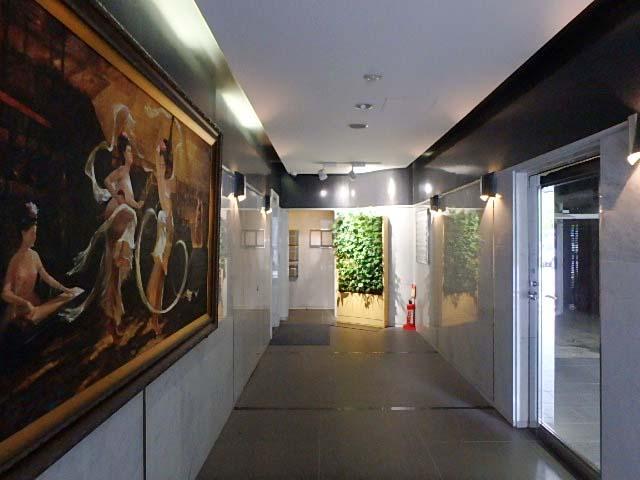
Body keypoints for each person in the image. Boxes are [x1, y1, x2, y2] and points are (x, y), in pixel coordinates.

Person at [64, 132, 140, 339]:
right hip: (117, 213)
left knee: (113, 277)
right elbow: (107, 181)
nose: (132, 155)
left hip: (120, 214)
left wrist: (138, 203)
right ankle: (120, 252)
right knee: (130, 216)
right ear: (124, 154)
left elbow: (130, 200)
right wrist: (117, 196)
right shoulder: (122, 170)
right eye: (129, 151)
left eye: (131, 151)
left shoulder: (127, 174)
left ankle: (112, 321)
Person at [2, 203, 82, 327]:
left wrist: (65, 289)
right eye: (32, 233)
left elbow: (47, 277)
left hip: (34, 305)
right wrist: (24, 303)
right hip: (18, 310)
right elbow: (5, 293)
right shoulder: (15, 260)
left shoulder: (34, 255)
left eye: (36, 233)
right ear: (23, 233)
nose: (35, 237)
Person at [146, 138, 177, 334]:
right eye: (162, 164)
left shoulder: (170, 183)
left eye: (166, 164)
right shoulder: (161, 181)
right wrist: (158, 151)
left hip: (167, 232)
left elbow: (171, 173)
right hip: (164, 233)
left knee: (160, 282)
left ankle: (155, 318)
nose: (163, 167)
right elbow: (158, 168)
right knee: (156, 280)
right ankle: (154, 319)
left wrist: (168, 152)